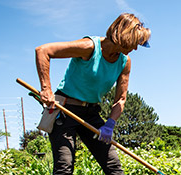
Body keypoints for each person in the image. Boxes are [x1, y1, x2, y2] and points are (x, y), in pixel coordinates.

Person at [34, 13, 150, 175]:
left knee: (113, 166)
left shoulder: (125, 61)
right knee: (64, 167)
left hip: (91, 114)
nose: (136, 48)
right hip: (64, 110)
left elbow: (121, 99)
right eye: (135, 42)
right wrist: (46, 88)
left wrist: (110, 123)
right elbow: (43, 51)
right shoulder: (90, 47)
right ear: (124, 36)